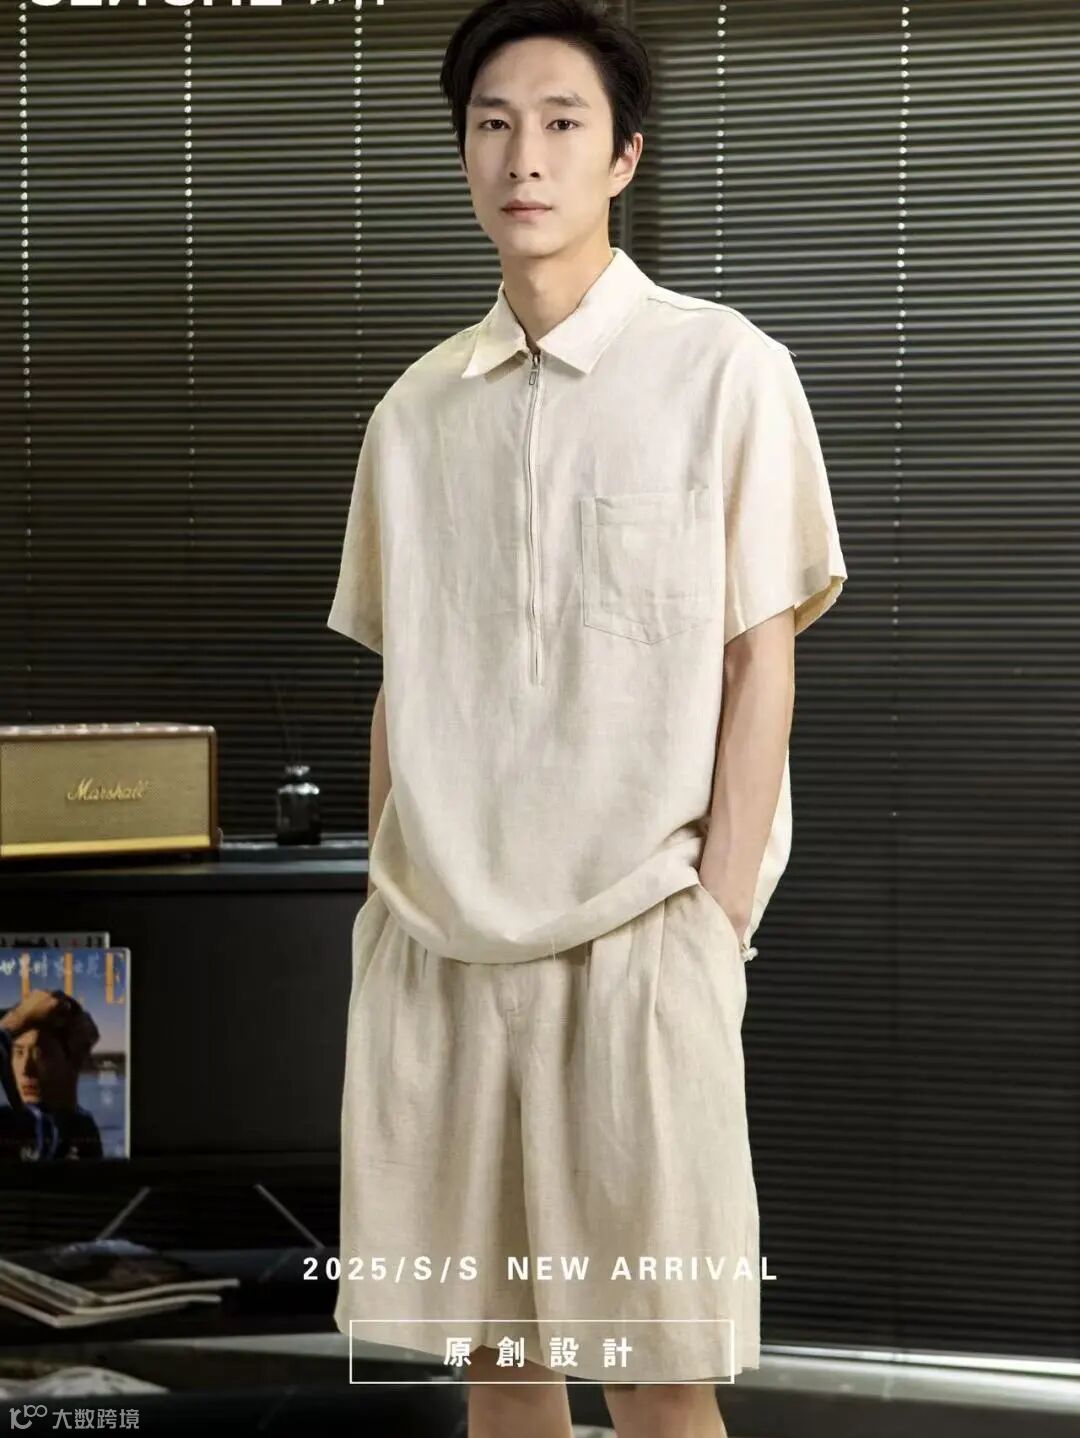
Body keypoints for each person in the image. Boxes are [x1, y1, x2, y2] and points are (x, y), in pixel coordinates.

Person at [327, 2, 847, 1434]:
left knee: (662, 1378)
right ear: (463, 154)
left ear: (624, 156)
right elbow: (403, 677)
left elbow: (761, 661)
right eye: (493, 125)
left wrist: (714, 923)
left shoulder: (725, 370)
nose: (525, 157)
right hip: (440, 942)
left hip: (639, 935)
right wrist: (386, 891)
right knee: (497, 1363)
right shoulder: (414, 413)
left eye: (562, 123)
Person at [0, 988, 103, 1162]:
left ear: (75, 1059)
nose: (26, 1070)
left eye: (40, 1054)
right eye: (18, 1053)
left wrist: (14, 1022)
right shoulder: (80, 1126)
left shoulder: (78, 1128)